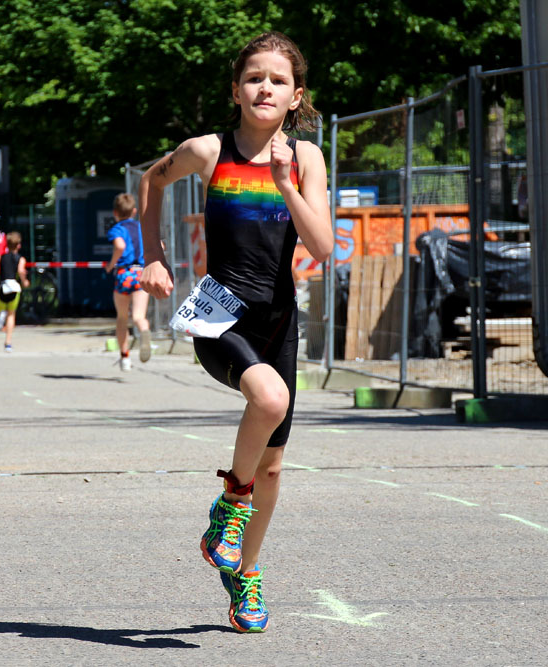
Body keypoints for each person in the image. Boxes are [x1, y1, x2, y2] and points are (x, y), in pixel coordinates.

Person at [138, 31, 332, 633]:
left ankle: (245, 573)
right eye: (254, 78)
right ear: (236, 90)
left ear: (295, 96)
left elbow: (323, 247)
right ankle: (230, 502)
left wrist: (285, 184)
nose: (264, 88)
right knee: (269, 399)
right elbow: (151, 182)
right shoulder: (206, 150)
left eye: (278, 80)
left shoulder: (306, 158)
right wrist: (154, 257)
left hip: (277, 318)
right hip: (217, 309)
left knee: (273, 468)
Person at [104, 193, 151, 371]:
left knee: (122, 317)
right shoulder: (142, 227)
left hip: (124, 273)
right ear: (134, 211)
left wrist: (111, 265)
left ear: (115, 213)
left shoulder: (117, 229)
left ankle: (125, 357)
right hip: (141, 273)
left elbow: (120, 246)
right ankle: (144, 332)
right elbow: (160, 246)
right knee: (139, 316)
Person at [0, 232, 30, 352]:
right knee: (11, 315)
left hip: (3, 287)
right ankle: (8, 343)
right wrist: (25, 281)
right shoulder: (21, 259)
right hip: (14, 287)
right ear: (18, 245)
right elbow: (21, 271)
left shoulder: (1, 256)